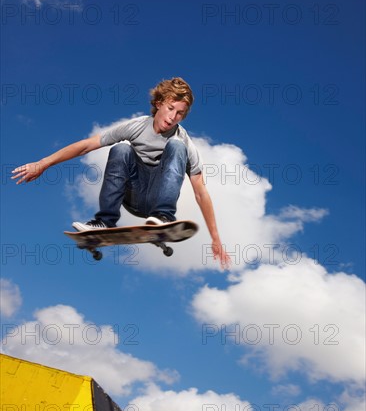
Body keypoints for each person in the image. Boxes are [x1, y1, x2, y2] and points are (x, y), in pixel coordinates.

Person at [12, 77, 231, 268]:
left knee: (176, 147)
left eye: (180, 113)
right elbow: (88, 145)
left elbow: (200, 192)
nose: (173, 117)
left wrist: (215, 237)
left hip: (157, 198)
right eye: (171, 108)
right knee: (122, 148)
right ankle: (105, 221)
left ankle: (163, 216)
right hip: (132, 195)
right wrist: (43, 163)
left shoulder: (184, 140)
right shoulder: (136, 126)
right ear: (159, 103)